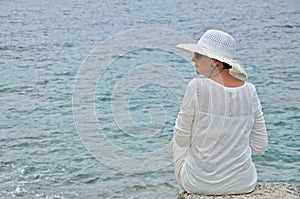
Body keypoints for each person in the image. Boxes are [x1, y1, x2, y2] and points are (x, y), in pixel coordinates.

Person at [171, 29, 268, 195]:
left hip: (199, 184)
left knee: (175, 138)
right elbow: (260, 145)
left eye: (198, 54)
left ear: (215, 61)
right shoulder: (250, 91)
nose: (193, 58)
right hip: (243, 184)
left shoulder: (197, 87)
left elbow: (181, 139)